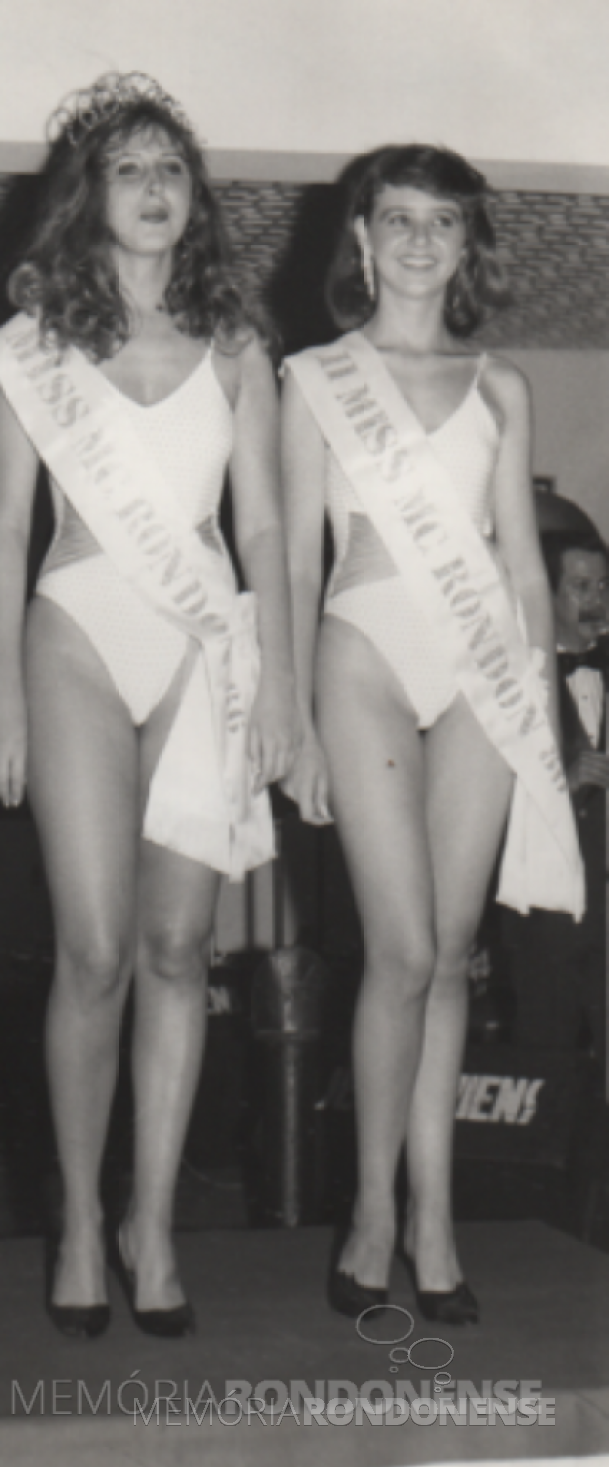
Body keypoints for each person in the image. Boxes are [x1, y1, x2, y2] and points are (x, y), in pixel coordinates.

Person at [0, 73, 298, 1337]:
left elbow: (262, 523)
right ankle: (72, 1217)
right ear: (88, 199)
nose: (155, 188)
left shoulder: (236, 348)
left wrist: (273, 685)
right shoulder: (35, 345)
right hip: (74, 634)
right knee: (95, 948)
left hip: (201, 648)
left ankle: (149, 1223)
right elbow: (1, 532)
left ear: (193, 200)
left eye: (173, 168)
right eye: (128, 168)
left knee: (178, 952)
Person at [281, 145, 583, 1325]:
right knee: (399, 949)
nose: (415, 240)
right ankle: (365, 1211)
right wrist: (297, 722)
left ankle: (433, 1222)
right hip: (360, 652)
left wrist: (539, 714)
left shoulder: (499, 385)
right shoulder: (312, 377)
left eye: (439, 222)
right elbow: (296, 562)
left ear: (465, 245)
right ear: (358, 238)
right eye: (394, 219)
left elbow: (516, 562)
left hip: (478, 675)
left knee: (452, 949)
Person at [504, 528, 608, 1060]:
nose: (596, 600)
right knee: (544, 1066)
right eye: (581, 586)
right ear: (545, 592)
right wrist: (558, 785)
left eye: (603, 585)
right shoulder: (516, 677)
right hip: (548, 916)